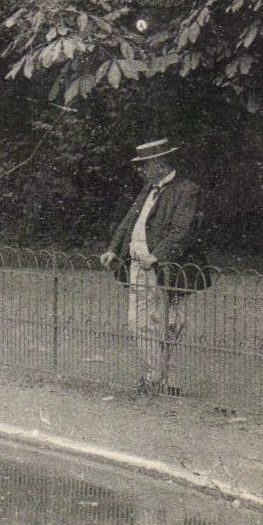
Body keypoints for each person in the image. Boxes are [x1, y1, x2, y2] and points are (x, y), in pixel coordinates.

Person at [98, 139, 203, 395]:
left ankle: (163, 379)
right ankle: (156, 376)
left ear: (159, 163)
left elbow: (183, 231)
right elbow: (129, 221)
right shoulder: (148, 189)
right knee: (138, 323)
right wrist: (113, 249)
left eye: (143, 165)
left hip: (167, 268)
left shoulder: (186, 190)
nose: (140, 171)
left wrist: (156, 257)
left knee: (171, 323)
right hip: (138, 267)